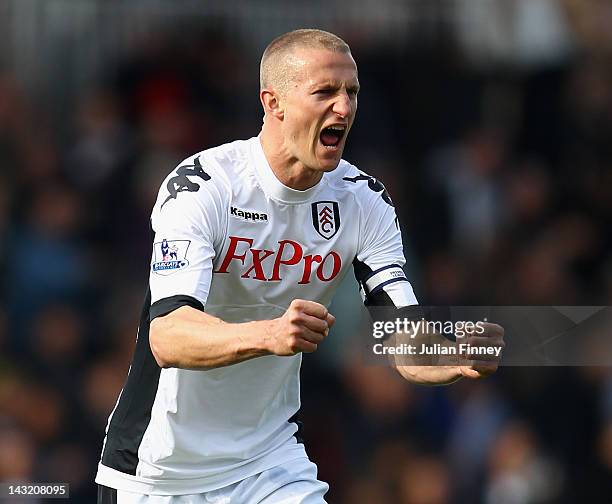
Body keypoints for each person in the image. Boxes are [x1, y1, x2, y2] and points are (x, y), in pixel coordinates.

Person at [95, 28, 504, 503]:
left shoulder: (362, 201)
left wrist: (448, 357)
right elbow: (167, 335)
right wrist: (269, 335)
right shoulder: (204, 186)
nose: (345, 108)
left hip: (268, 464)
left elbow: (401, 339)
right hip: (158, 471)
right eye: (325, 92)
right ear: (274, 103)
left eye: (351, 92)